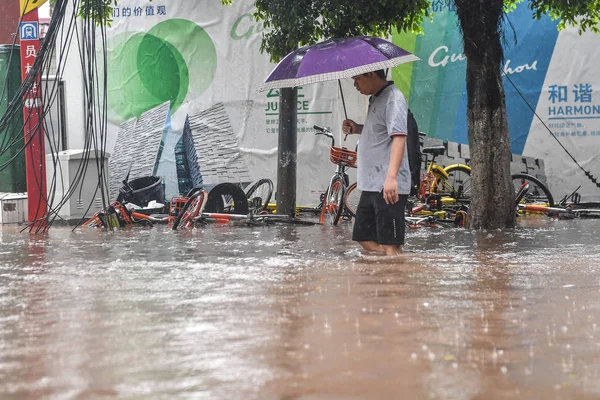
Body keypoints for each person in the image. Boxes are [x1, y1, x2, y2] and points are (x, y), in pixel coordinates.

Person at [342, 70, 411, 256]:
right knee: (362, 236)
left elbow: (399, 137)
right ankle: (387, 273)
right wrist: (357, 128)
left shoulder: (393, 98)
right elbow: (380, 130)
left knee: (391, 243)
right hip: (371, 184)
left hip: (387, 186)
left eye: (357, 79)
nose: (355, 84)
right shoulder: (376, 98)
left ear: (371, 75)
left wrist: (391, 178)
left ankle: (395, 276)